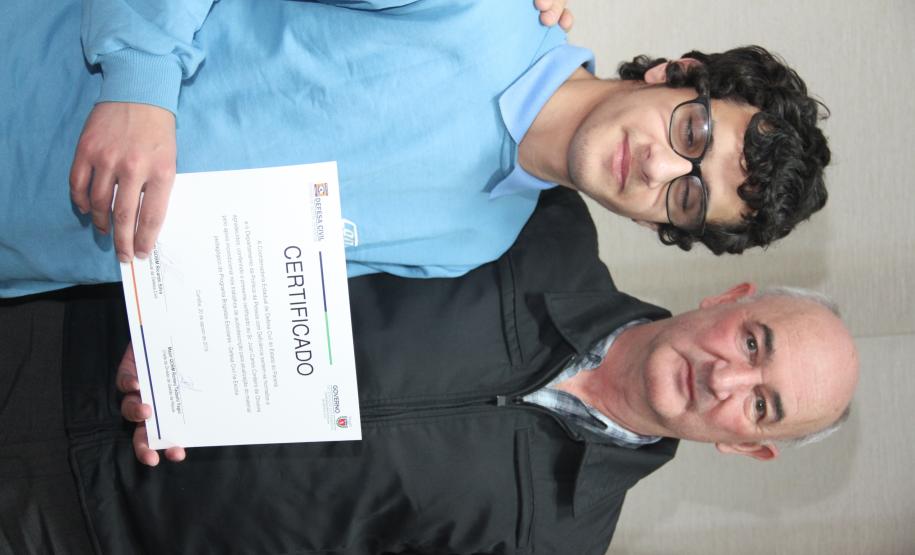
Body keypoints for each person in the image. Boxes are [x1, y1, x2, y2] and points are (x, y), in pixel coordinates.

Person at [1, 188, 858, 554]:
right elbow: (319, 179)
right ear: (731, 296)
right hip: (67, 334)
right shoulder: (538, 222)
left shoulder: (558, 542)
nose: (724, 380)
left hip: (78, 535)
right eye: (754, 344)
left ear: (746, 447)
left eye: (762, 406)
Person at [1, 0, 829, 298]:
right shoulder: (478, 9)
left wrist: (176, 367)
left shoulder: (479, 240)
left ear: (658, 226)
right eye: (691, 133)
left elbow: (244, 281)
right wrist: (141, 82)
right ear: (673, 73)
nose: (654, 167)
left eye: (685, 196)